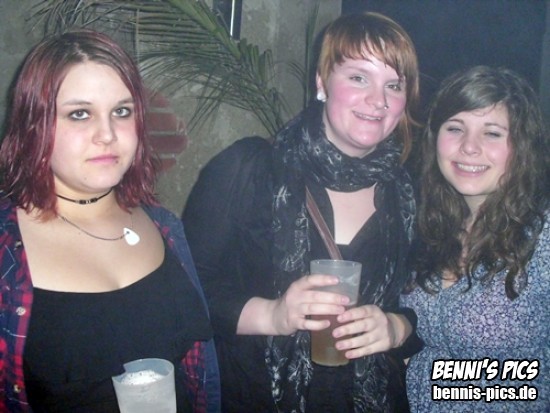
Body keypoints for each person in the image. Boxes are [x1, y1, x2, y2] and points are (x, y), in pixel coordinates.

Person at [183, 12, 420, 412]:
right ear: (322, 82)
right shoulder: (249, 168)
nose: (378, 100)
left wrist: (396, 327)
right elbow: (184, 292)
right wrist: (271, 315)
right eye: (358, 77)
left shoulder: (407, 194)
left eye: (393, 85)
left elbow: (417, 306)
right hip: (258, 398)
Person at [0, 29, 220, 412]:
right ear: (34, 124)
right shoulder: (7, 250)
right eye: (79, 114)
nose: (107, 134)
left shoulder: (165, 226)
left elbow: (200, 375)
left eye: (121, 111)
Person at [401, 66, 550, 412]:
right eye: (455, 128)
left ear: (522, 146)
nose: (469, 147)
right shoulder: (428, 226)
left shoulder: (542, 238)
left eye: (492, 133)